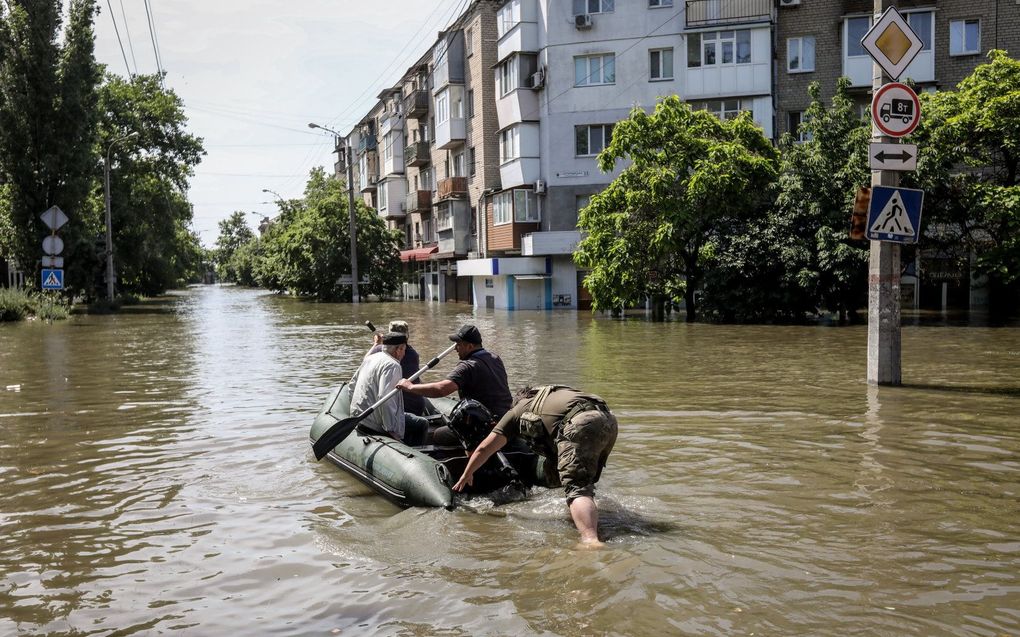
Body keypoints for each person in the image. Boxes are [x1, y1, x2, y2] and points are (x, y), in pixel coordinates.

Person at [452, 385, 618, 547]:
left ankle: (590, 541)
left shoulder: (517, 410)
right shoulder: (552, 394)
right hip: (608, 419)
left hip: (580, 423)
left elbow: (484, 448)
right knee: (582, 481)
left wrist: (467, 474)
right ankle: (585, 518)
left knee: (577, 487)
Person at [396, 324, 512, 419]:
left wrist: (410, 386)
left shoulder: (467, 366)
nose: (456, 348)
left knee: (439, 435)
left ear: (470, 346)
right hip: (504, 417)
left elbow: (442, 389)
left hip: (484, 421)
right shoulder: (495, 358)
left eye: (459, 345)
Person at [350, 331, 428, 445]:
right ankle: (416, 453)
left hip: (361, 418)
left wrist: (355, 414)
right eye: (404, 350)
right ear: (398, 350)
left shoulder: (370, 358)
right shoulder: (393, 365)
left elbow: (352, 385)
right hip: (375, 423)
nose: (404, 354)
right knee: (421, 424)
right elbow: (385, 399)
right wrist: (391, 430)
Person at [365, 320, 425, 416]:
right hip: (415, 408)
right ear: (407, 335)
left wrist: (376, 344)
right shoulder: (413, 354)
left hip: (397, 409)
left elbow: (365, 362)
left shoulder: (380, 350)